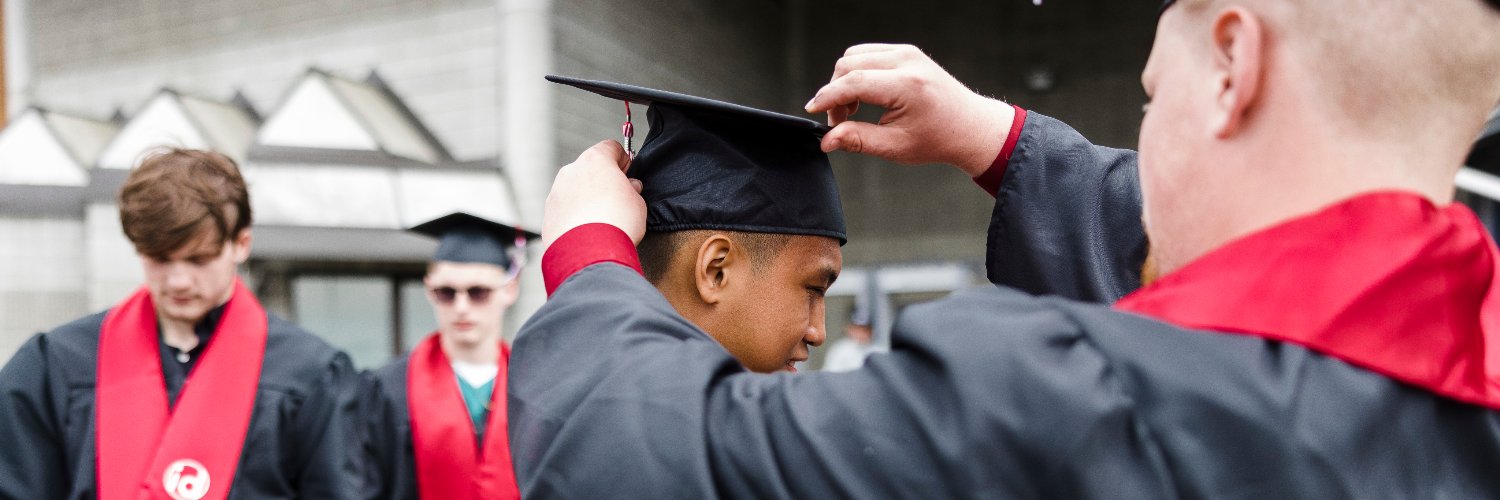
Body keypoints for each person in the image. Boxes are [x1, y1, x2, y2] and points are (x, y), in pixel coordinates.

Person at [508, 0, 1500, 497]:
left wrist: (591, 250)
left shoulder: (1069, 403)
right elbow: (1259, 284)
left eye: (1151, 99)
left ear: (1232, 66)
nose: (1142, 143)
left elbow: (660, 454)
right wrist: (1003, 145)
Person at [0, 149, 360, 499]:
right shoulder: (55, 367)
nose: (178, 281)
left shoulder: (310, 374)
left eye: (198, 259)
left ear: (241, 244)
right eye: (158, 259)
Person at [545, 76, 845, 374]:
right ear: (716, 269)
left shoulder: (572, 385)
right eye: (814, 289)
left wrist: (583, 244)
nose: (818, 332)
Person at [359, 212, 533, 499]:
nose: (461, 307)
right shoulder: (387, 389)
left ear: (510, 289)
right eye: (446, 292)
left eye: (478, 292)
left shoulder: (533, 387)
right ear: (429, 290)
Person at [821, 306, 876, 372]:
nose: (862, 333)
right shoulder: (839, 350)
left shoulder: (878, 351)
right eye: (858, 329)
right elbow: (830, 376)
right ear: (849, 329)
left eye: (866, 329)